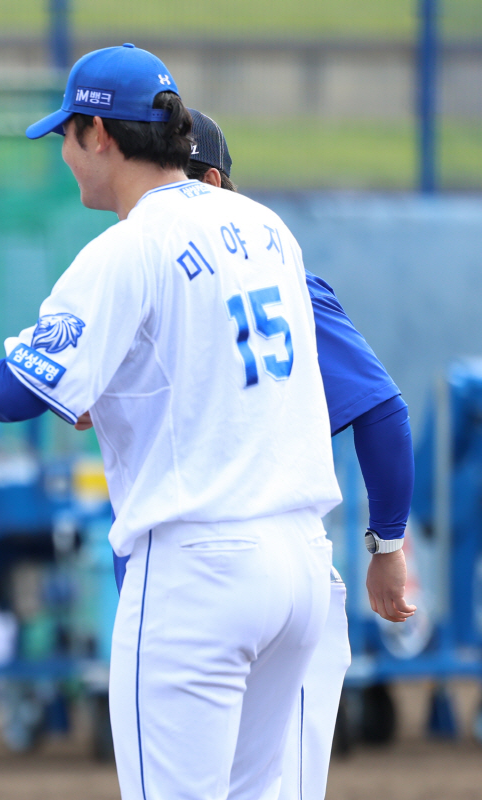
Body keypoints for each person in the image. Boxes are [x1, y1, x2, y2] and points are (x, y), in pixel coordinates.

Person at [0, 44, 341, 798]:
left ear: (100, 133)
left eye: (67, 135)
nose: (65, 154)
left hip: (200, 569)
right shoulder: (267, 226)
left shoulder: (131, 245)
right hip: (300, 562)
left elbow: (18, 391)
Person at [184, 108, 415, 800]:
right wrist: (386, 547)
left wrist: (388, 544)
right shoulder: (257, 274)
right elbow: (384, 412)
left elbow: (382, 411)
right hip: (263, 579)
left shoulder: (155, 275)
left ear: (212, 183)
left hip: (216, 576)